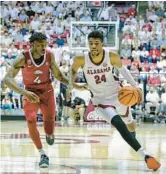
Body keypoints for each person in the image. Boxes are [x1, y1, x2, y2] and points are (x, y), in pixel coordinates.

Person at [72, 31, 161, 171]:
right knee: (119, 125)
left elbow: (123, 70)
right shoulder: (80, 59)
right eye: (90, 43)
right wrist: (76, 85)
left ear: (102, 44)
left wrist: (135, 86)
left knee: (130, 126)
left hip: (118, 95)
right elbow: (71, 76)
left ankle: (132, 141)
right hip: (100, 100)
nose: (93, 46)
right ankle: (146, 156)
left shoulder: (111, 56)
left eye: (96, 43)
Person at [2, 32, 70, 168]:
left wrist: (74, 84)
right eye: (40, 45)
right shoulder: (23, 58)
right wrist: (23, 92)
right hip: (30, 92)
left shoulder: (49, 55)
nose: (43, 47)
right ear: (32, 45)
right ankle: (42, 153)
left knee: (49, 121)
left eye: (44, 44)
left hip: (47, 92)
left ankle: (50, 134)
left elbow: (58, 75)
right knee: (31, 120)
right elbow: (7, 79)